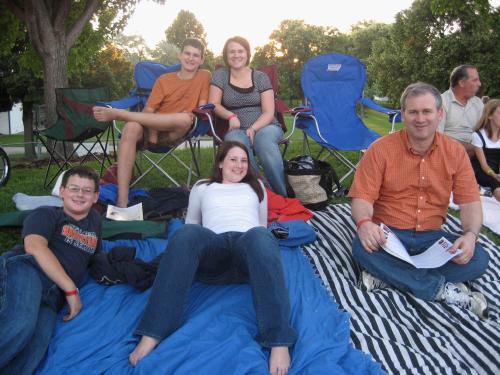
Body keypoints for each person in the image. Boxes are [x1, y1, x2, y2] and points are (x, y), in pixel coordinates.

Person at [129, 141, 296, 375]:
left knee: (261, 235)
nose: (239, 165)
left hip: (245, 252)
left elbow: (260, 224)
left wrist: (259, 242)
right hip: (213, 251)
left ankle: (278, 340)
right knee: (185, 233)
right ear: (220, 162)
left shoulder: (256, 186)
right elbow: (193, 224)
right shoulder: (202, 187)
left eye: (244, 161)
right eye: (233, 159)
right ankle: (153, 332)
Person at [349, 82, 490, 317]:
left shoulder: (455, 152)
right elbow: (361, 198)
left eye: (427, 111)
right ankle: (441, 290)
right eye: (413, 112)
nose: (420, 118)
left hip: (432, 238)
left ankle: (390, 278)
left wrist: (470, 236)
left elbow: (470, 202)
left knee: (479, 259)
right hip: (389, 237)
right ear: (403, 114)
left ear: (439, 114)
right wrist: (365, 224)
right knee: (361, 248)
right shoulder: (380, 149)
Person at [0, 166, 102, 374]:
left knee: (34, 348)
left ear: (95, 197)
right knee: (20, 323)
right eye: (74, 188)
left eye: (86, 190)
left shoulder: (95, 223)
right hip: (29, 270)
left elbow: (95, 258)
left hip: (53, 296)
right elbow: (35, 247)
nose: (80, 195)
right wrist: (71, 290)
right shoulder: (46, 214)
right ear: (62, 192)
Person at [93, 38, 211, 207]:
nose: (191, 58)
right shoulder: (164, 80)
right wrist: (153, 131)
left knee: (185, 118)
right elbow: (149, 111)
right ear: (179, 55)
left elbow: (202, 104)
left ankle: (120, 114)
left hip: (176, 131)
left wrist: (200, 115)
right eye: (187, 53)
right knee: (131, 127)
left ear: (201, 60)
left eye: (196, 55)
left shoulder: (204, 76)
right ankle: (122, 198)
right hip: (150, 131)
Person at [208, 36, 287, 197]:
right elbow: (214, 104)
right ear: (226, 55)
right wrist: (230, 116)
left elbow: (268, 111)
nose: (236, 55)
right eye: (232, 52)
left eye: (240, 51)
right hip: (236, 128)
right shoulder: (220, 76)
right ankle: (261, 192)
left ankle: (282, 195)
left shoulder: (260, 77)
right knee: (237, 144)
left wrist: (253, 128)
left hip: (266, 125)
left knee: (263, 141)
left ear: (247, 54)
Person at [438, 64, 484, 155]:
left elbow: (486, 132)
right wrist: (473, 148)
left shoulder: (478, 103)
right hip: (449, 153)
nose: (479, 84)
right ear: (462, 83)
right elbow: (436, 137)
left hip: (478, 154)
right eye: (475, 80)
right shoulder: (441, 102)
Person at [471, 99, 500, 201]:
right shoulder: (478, 135)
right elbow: (484, 165)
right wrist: (494, 175)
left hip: (495, 171)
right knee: (494, 181)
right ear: (490, 116)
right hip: (482, 171)